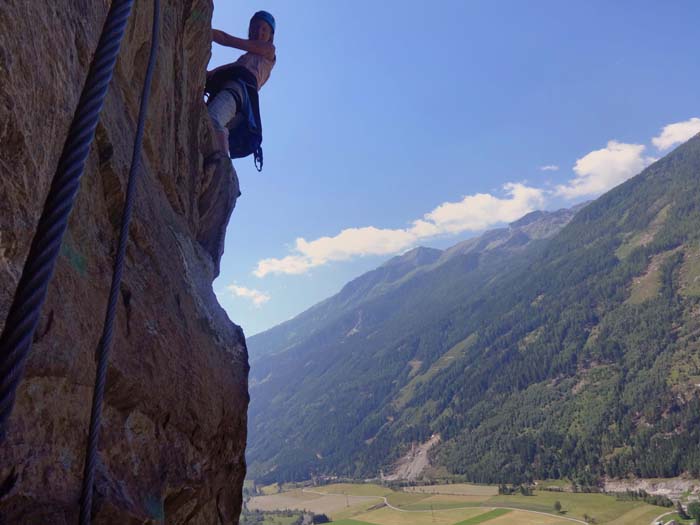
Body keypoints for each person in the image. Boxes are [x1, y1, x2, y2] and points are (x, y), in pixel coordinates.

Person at [206, 11, 276, 166]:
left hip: (238, 92)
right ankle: (219, 166)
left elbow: (228, 40)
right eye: (255, 28)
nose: (259, 32)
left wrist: (205, 30)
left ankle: (223, 168)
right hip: (241, 106)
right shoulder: (245, 61)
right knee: (208, 127)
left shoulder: (269, 51)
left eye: (264, 29)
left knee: (212, 119)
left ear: (270, 36)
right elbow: (215, 73)